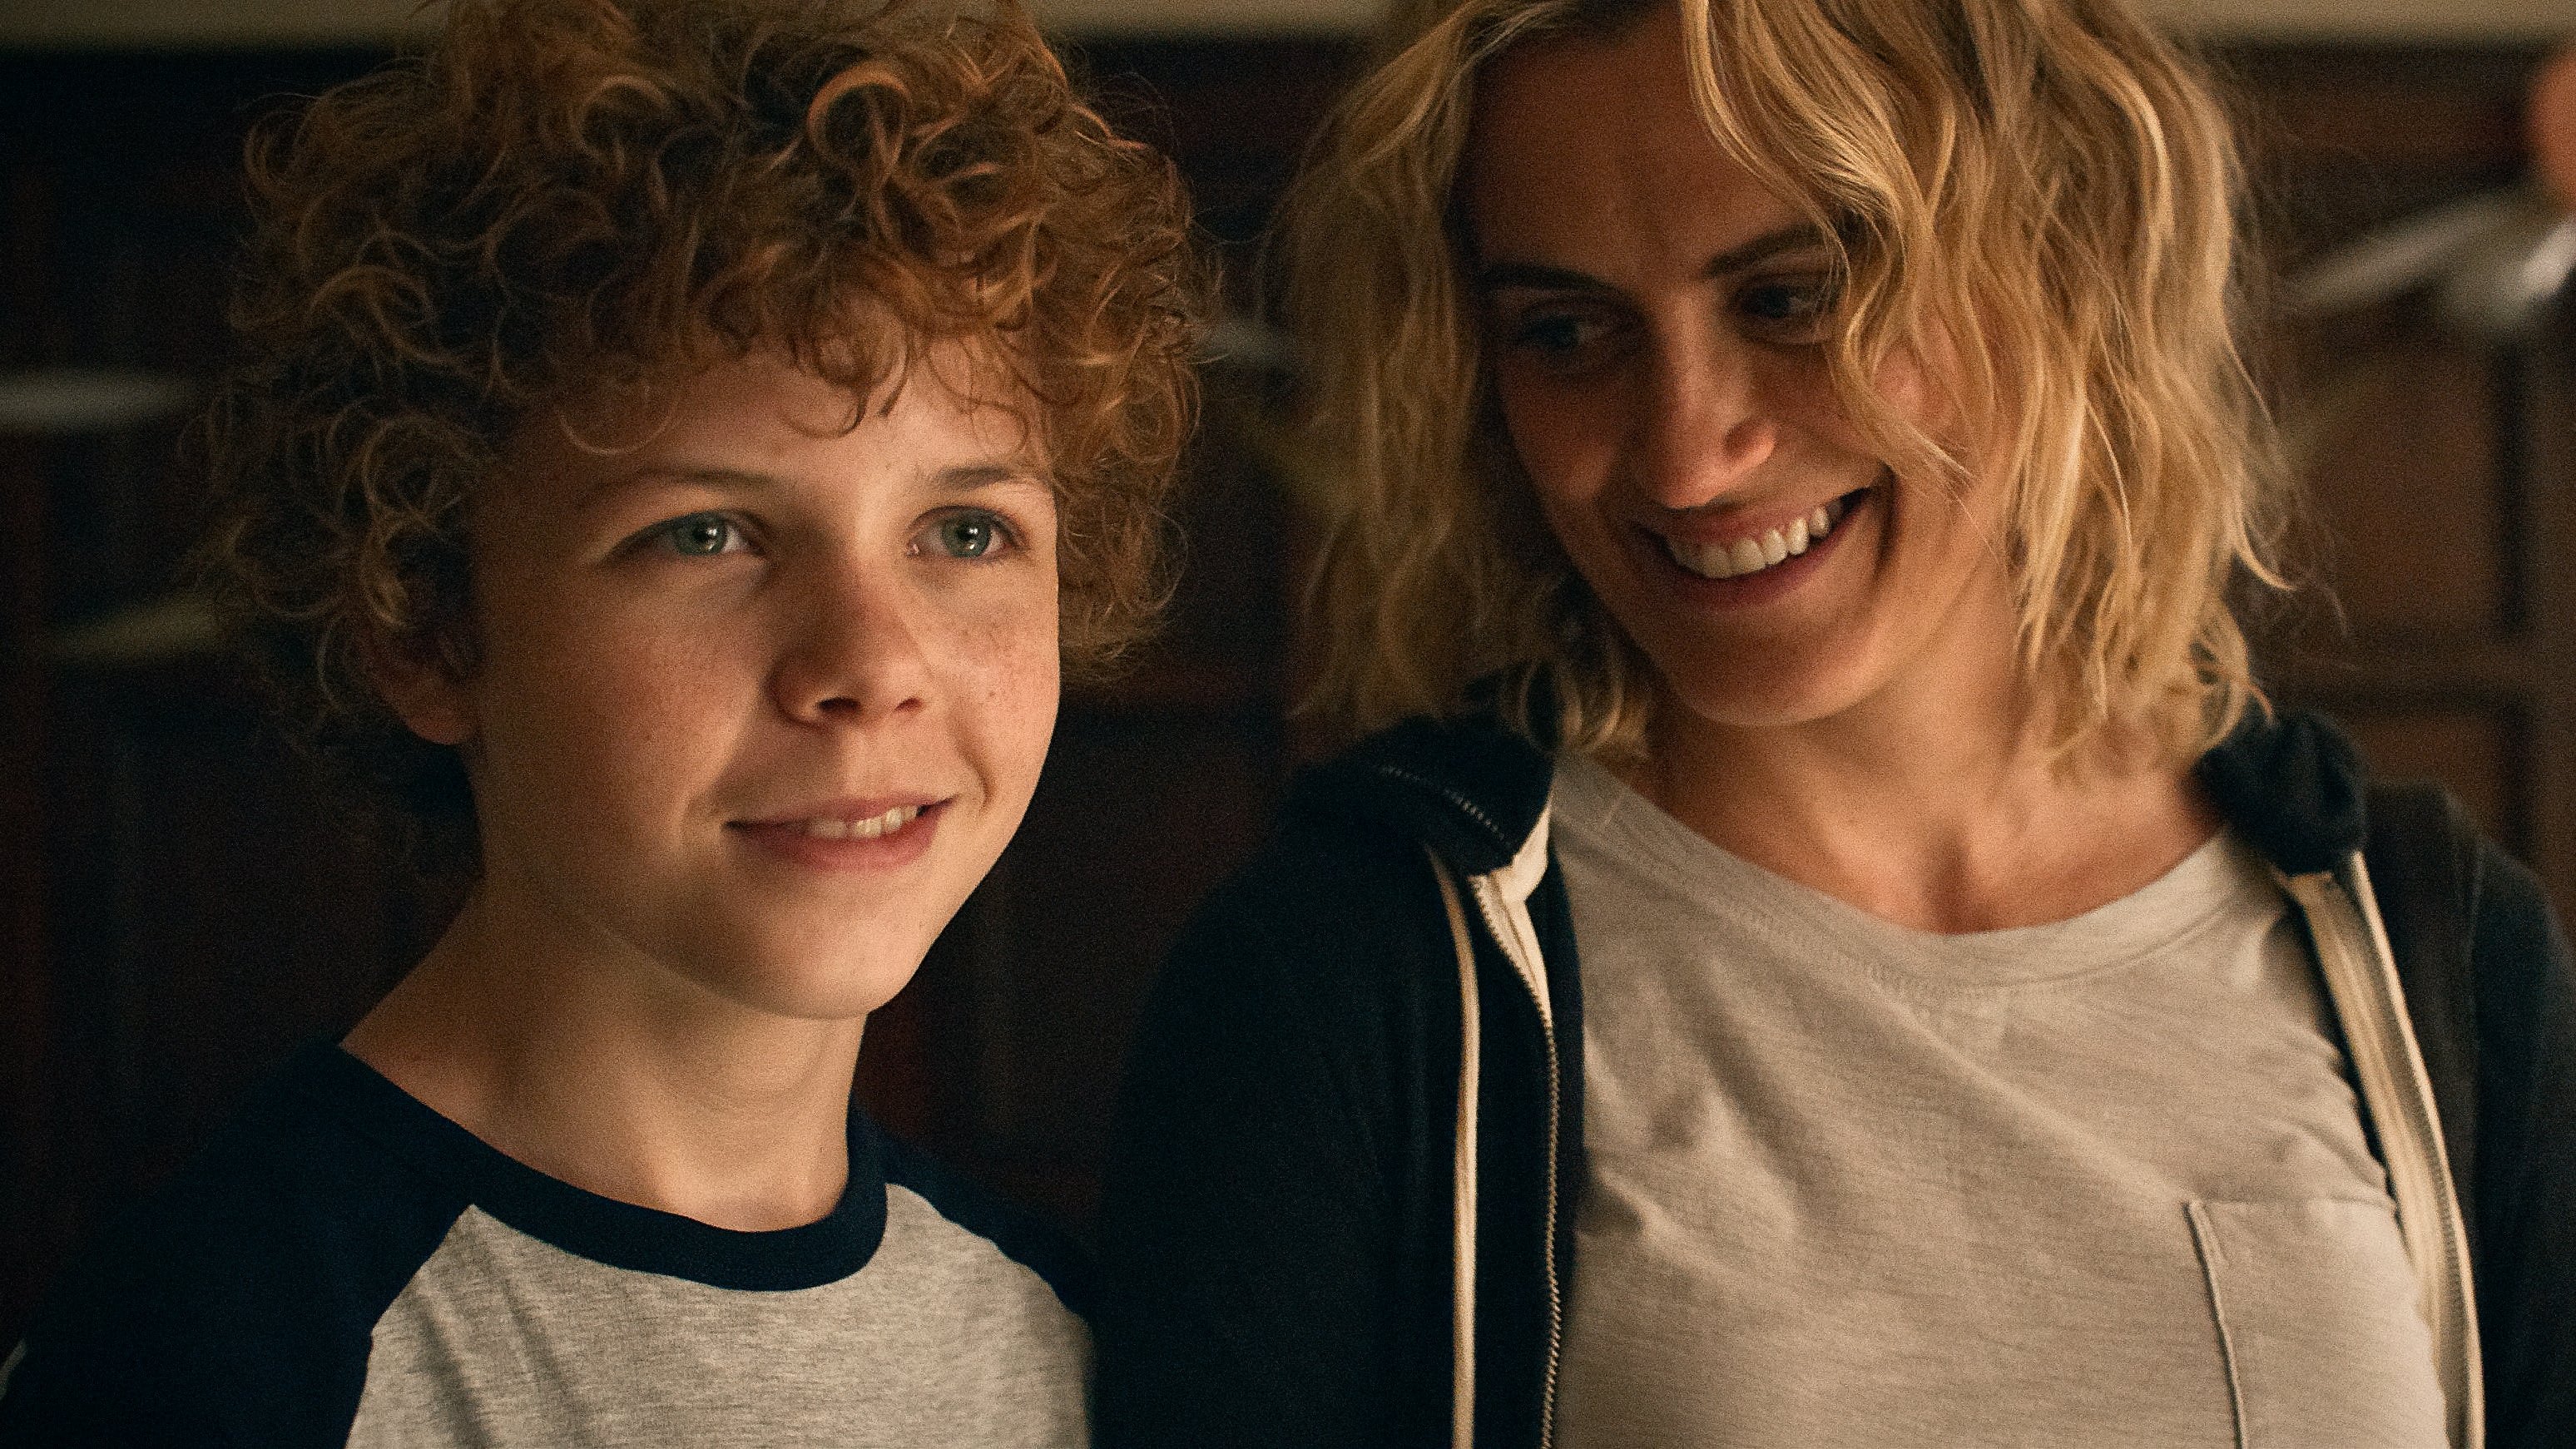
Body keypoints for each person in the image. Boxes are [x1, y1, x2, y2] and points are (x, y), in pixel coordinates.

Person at [1096, 1, 2574, 1446]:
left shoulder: (2428, 953)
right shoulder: (1344, 983)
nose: (1686, 455)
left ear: (2057, 253)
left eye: (1791, 298)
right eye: (1567, 331)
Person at [0, 0, 1201, 1442]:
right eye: (707, 533)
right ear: (426, 625)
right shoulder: (217, 1362)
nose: (872, 664)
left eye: (965, 529)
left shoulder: (1071, 1349)